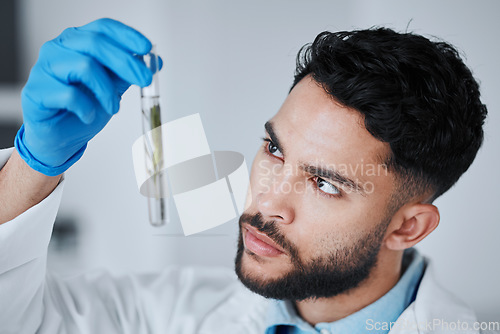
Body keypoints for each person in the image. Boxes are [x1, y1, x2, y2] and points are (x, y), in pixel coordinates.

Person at [0, 18, 493, 334]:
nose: (268, 200)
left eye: (325, 183)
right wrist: (34, 161)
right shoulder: (177, 312)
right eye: (275, 150)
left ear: (407, 226)